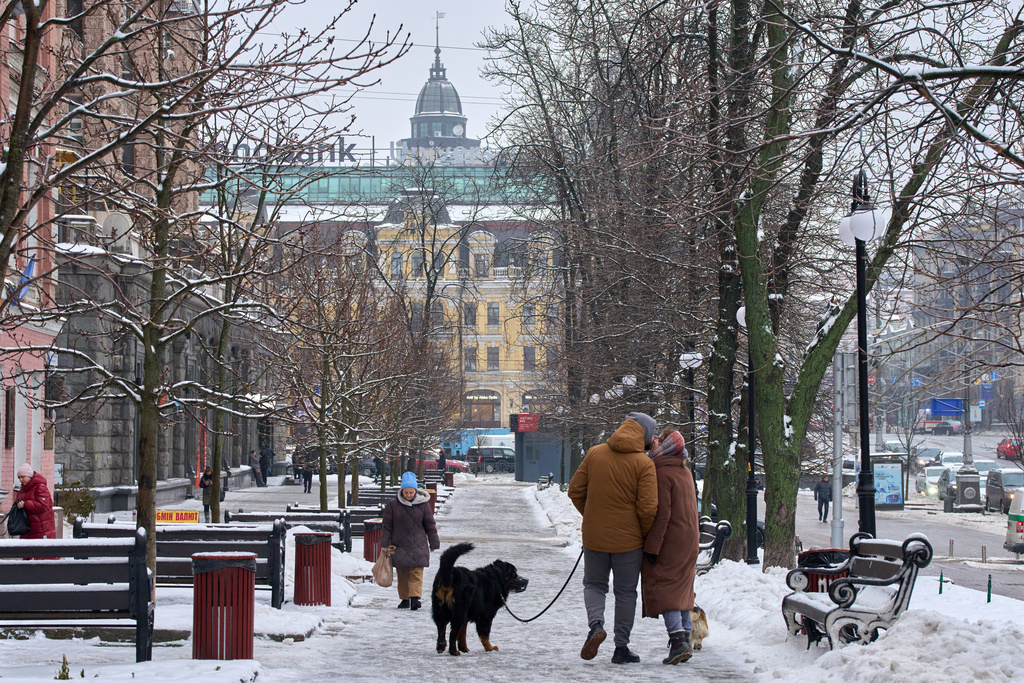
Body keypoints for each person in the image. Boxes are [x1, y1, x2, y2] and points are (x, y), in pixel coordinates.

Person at [568, 412, 659, 664]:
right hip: (629, 543)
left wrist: (592, 516)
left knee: (594, 585)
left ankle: (596, 625)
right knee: (626, 593)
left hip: (595, 538)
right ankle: (621, 648)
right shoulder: (644, 463)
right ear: (645, 435)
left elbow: (574, 491)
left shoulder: (595, 453)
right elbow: (648, 508)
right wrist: (640, 531)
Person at [641, 428, 700, 665]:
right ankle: (685, 638)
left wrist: (652, 547)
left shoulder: (661, 472)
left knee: (666, 587)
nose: (652, 444)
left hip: (671, 540)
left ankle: (677, 642)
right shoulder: (684, 470)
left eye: (657, 442)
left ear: (664, 447)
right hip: (689, 538)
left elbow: (662, 514)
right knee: (682, 590)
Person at [379, 471, 440, 610]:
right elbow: (387, 526)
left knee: (416, 572)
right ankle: (405, 599)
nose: (408, 495)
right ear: (402, 491)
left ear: (415, 491)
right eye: (406, 492)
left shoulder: (423, 505)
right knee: (402, 573)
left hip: (418, 544)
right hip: (399, 544)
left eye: (411, 492)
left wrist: (434, 542)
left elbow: (430, 525)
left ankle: (415, 598)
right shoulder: (393, 505)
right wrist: (384, 543)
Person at [14, 463, 56, 539]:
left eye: (23, 477)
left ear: (29, 476)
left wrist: (25, 504)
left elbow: (43, 505)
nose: (21, 480)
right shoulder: (23, 490)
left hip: (42, 530)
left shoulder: (40, 487)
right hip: (27, 529)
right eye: (19, 478)